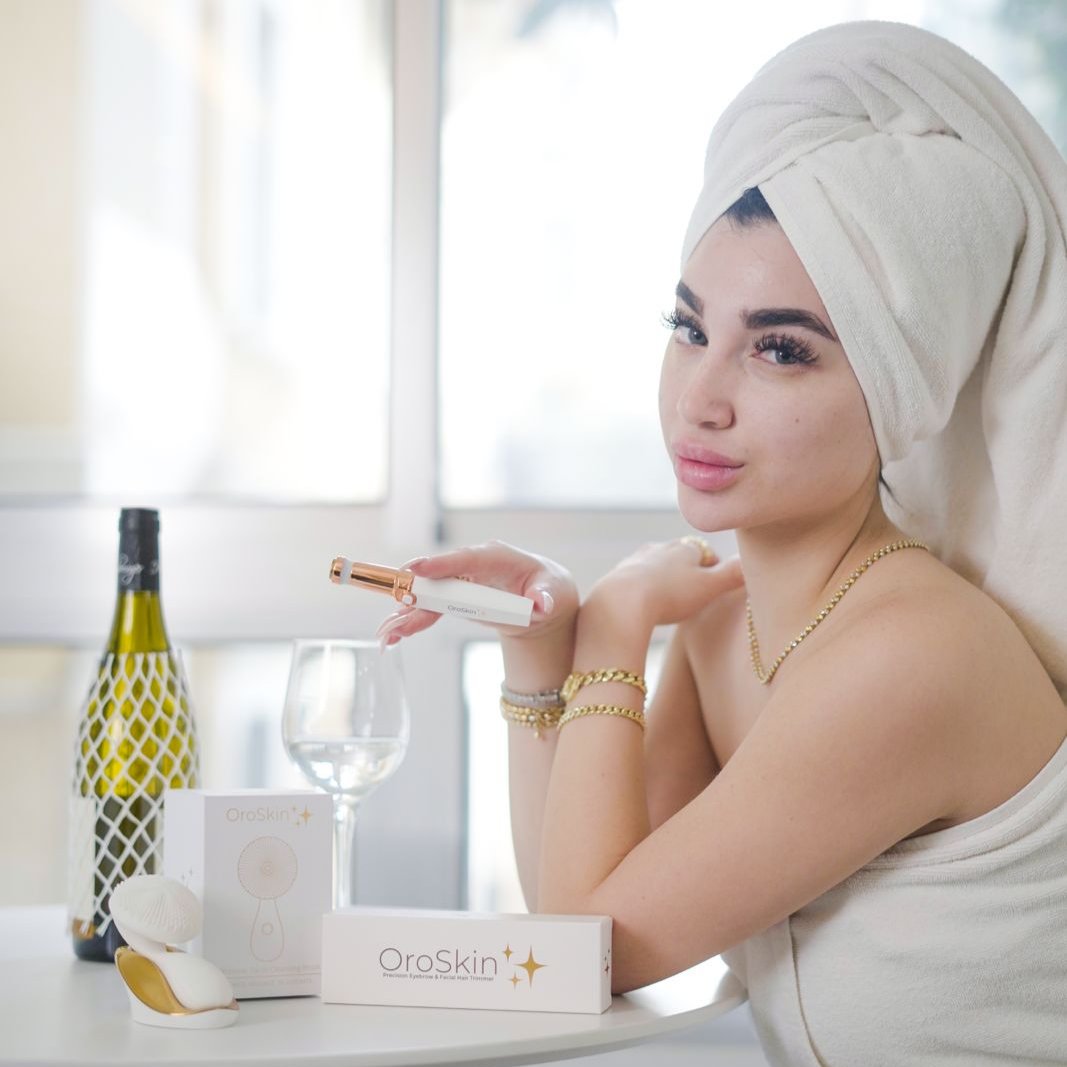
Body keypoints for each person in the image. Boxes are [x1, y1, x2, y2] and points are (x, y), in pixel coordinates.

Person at [376, 20, 1067, 1066]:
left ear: (897, 393)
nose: (699, 397)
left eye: (779, 350)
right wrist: (541, 650)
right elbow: (568, 918)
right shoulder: (726, 622)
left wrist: (615, 625)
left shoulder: (912, 655)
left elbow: (591, 945)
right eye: (689, 328)